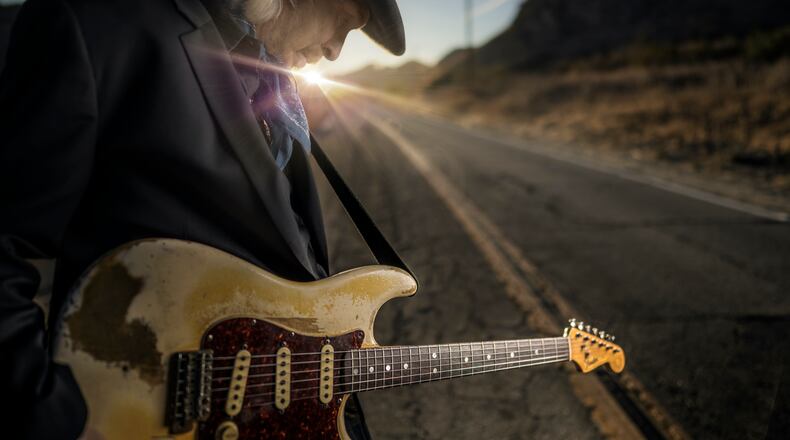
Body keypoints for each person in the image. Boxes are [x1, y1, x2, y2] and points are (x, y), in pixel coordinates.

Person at [0, 0, 405, 438]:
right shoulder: (96, 26)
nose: (335, 52)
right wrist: (50, 414)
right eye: (343, 23)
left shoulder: (277, 86)